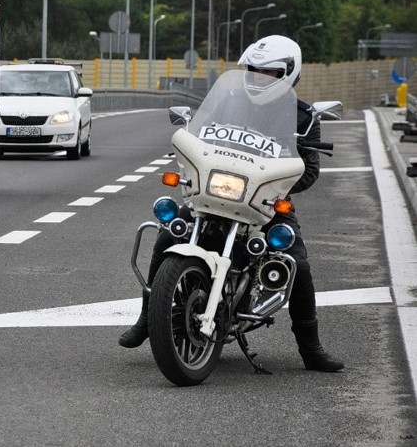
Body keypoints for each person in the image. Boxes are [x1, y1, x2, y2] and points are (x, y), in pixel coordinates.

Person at [118, 35, 344, 373]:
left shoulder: (304, 116)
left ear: (288, 73)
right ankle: (147, 319)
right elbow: (199, 131)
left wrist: (276, 186)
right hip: (216, 190)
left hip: (264, 200)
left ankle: (311, 349)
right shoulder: (230, 99)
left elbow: (309, 170)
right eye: (252, 71)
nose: (257, 77)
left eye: (267, 72)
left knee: (297, 263)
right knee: (168, 235)